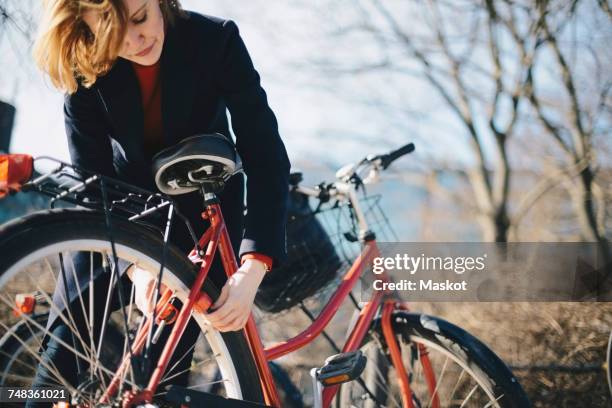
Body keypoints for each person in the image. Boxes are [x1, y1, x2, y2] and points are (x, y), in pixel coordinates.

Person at [29, 0, 290, 400]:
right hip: (116, 211)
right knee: (63, 348)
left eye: (140, 19)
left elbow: (265, 152)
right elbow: (91, 186)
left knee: (162, 378)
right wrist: (136, 267)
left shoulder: (215, 41)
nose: (136, 41)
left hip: (199, 214)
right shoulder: (84, 70)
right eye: (114, 36)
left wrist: (253, 266)